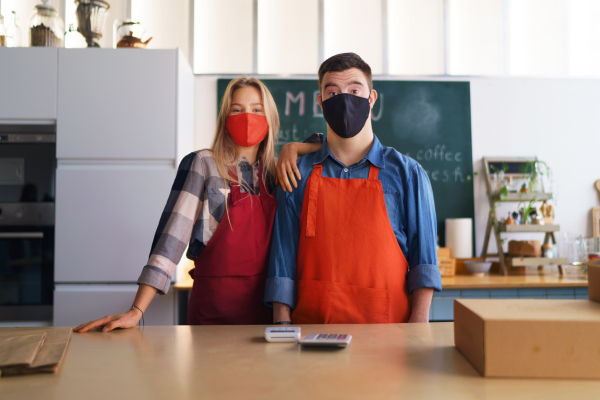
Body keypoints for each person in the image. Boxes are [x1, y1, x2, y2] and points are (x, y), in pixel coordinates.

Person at [74, 77, 318, 332]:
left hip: (264, 315)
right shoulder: (202, 164)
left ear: (270, 119)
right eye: (237, 110)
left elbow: (333, 146)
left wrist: (295, 147)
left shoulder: (276, 174)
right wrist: (137, 310)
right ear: (225, 119)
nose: (247, 117)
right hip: (213, 313)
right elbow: (171, 240)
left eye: (257, 110)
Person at [265, 53, 442, 325]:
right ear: (320, 103)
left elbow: (424, 263)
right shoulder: (295, 173)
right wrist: (281, 324)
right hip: (311, 333)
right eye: (332, 92)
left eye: (354, 90)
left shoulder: (408, 174)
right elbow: (282, 259)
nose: (344, 99)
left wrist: (417, 330)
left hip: (388, 337)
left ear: (371, 99)